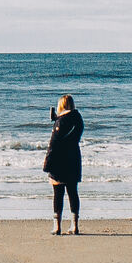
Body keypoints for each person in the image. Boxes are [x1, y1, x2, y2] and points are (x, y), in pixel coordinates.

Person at [43, 93, 83, 234]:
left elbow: (53, 144)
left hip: (59, 160)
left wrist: (47, 163)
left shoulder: (60, 122)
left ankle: (57, 226)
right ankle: (75, 225)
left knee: (58, 193)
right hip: (74, 158)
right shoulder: (78, 119)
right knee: (73, 192)